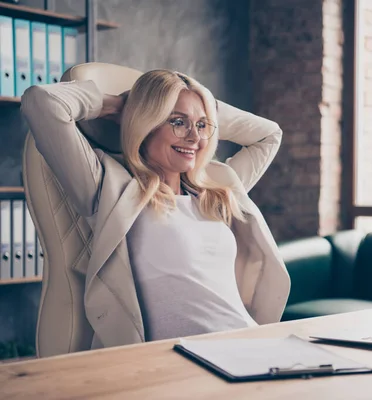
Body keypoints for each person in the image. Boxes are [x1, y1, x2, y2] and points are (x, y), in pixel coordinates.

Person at [20, 69, 290, 349]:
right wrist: (117, 105)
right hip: (184, 364)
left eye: (201, 126)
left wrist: (203, 107)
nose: (194, 138)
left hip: (248, 345)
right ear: (145, 123)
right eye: (177, 122)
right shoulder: (110, 190)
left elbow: (269, 134)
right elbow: (41, 103)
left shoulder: (216, 191)